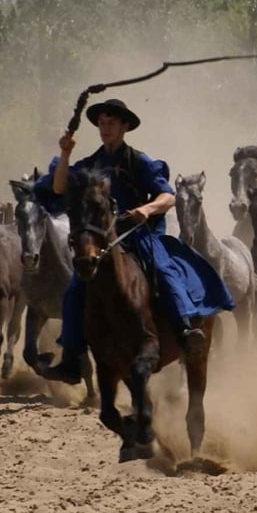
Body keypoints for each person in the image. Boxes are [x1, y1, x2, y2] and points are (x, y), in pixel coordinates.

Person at [33, 98, 234, 384]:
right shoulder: (91, 164)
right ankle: (72, 359)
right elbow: (59, 186)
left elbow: (167, 197)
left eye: (111, 123)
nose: (105, 128)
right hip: (102, 242)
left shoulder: (138, 162)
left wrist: (146, 209)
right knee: (75, 290)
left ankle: (186, 331)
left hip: (139, 236)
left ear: (125, 126)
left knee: (165, 272)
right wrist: (64, 154)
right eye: (101, 123)